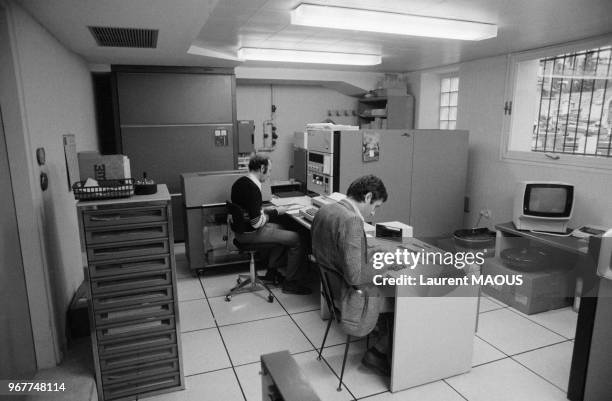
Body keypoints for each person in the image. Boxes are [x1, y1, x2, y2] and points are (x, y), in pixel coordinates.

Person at [311, 175, 394, 376]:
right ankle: (378, 352)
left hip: (333, 291)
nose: (373, 212)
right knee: (401, 300)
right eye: (376, 206)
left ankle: (378, 331)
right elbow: (356, 276)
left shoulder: (326, 209)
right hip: (351, 296)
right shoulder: (353, 220)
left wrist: (372, 255)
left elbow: (341, 255)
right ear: (367, 197)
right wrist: (387, 263)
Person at [231, 154, 312, 295]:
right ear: (262, 168)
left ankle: (272, 272)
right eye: (269, 171)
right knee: (297, 239)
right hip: (250, 233)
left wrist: (267, 211)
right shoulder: (253, 189)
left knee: (281, 228)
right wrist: (275, 212)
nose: (269, 175)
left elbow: (249, 211)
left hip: (242, 230)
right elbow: (256, 223)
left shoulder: (240, 182)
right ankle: (290, 283)